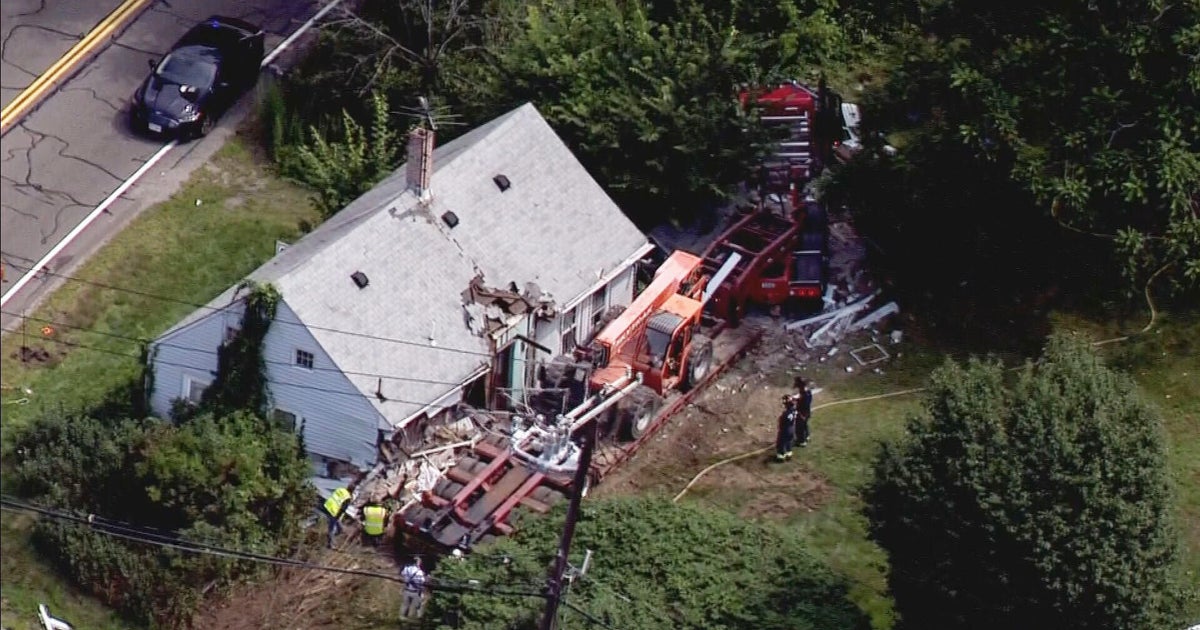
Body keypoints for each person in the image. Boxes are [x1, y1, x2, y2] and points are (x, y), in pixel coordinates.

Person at [321, 485, 352, 549]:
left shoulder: (340, 489)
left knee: (337, 526)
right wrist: (337, 517)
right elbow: (342, 509)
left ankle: (337, 533)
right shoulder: (348, 497)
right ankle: (330, 544)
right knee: (331, 529)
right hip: (334, 512)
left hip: (328, 507)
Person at [775, 393, 798, 461]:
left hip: (785, 430)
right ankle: (789, 454)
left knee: (781, 442)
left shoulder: (786, 413)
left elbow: (782, 422)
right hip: (792, 428)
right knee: (788, 442)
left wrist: (780, 426)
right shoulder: (794, 410)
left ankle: (781, 456)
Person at [794, 377, 814, 446]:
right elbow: (804, 401)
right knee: (804, 425)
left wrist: (802, 414)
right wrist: (797, 399)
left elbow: (805, 403)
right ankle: (807, 436)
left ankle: (801, 441)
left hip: (803, 413)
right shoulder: (807, 391)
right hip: (806, 412)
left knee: (800, 427)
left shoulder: (804, 393)